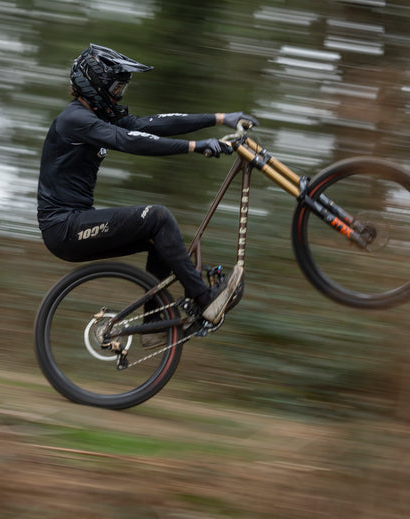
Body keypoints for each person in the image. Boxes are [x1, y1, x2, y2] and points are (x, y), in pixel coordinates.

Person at [37, 43, 256, 328]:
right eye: (115, 89)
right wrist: (195, 146)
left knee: (159, 234)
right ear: (94, 85)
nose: (118, 97)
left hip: (75, 223)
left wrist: (219, 118)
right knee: (158, 216)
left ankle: (153, 325)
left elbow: (151, 125)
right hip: (64, 228)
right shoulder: (74, 119)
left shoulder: (97, 117)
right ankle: (205, 299)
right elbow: (129, 141)